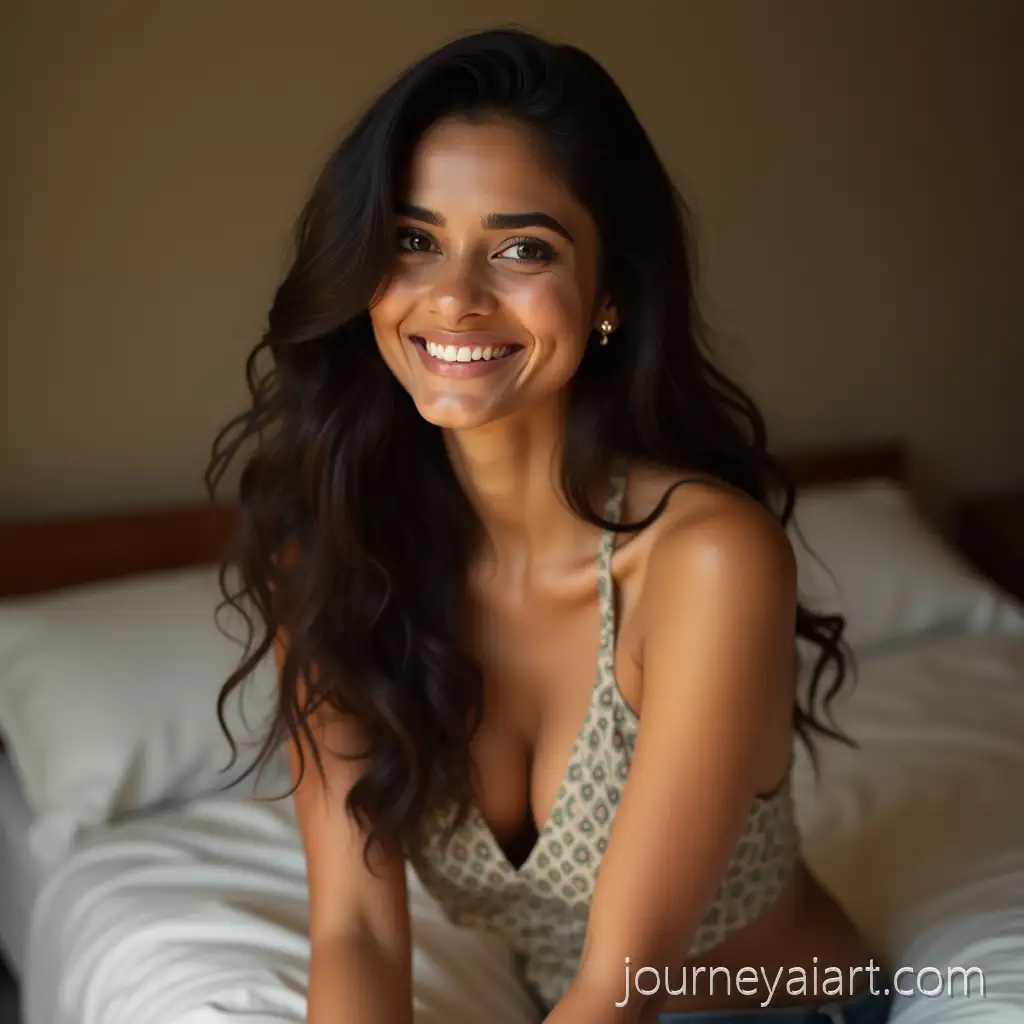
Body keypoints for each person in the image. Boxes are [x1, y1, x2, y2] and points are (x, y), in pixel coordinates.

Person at [206, 26, 892, 1024]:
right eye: (412, 239)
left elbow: (620, 989)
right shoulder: (333, 559)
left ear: (609, 289)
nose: (453, 296)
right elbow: (354, 929)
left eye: (523, 247)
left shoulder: (704, 559)